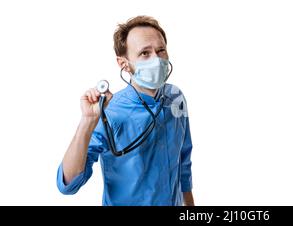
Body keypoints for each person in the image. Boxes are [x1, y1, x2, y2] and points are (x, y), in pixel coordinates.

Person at [56, 15, 194, 206]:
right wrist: (88, 121)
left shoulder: (175, 97)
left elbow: (183, 165)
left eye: (160, 50)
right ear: (124, 64)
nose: (156, 58)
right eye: (145, 53)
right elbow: (68, 185)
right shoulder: (110, 112)